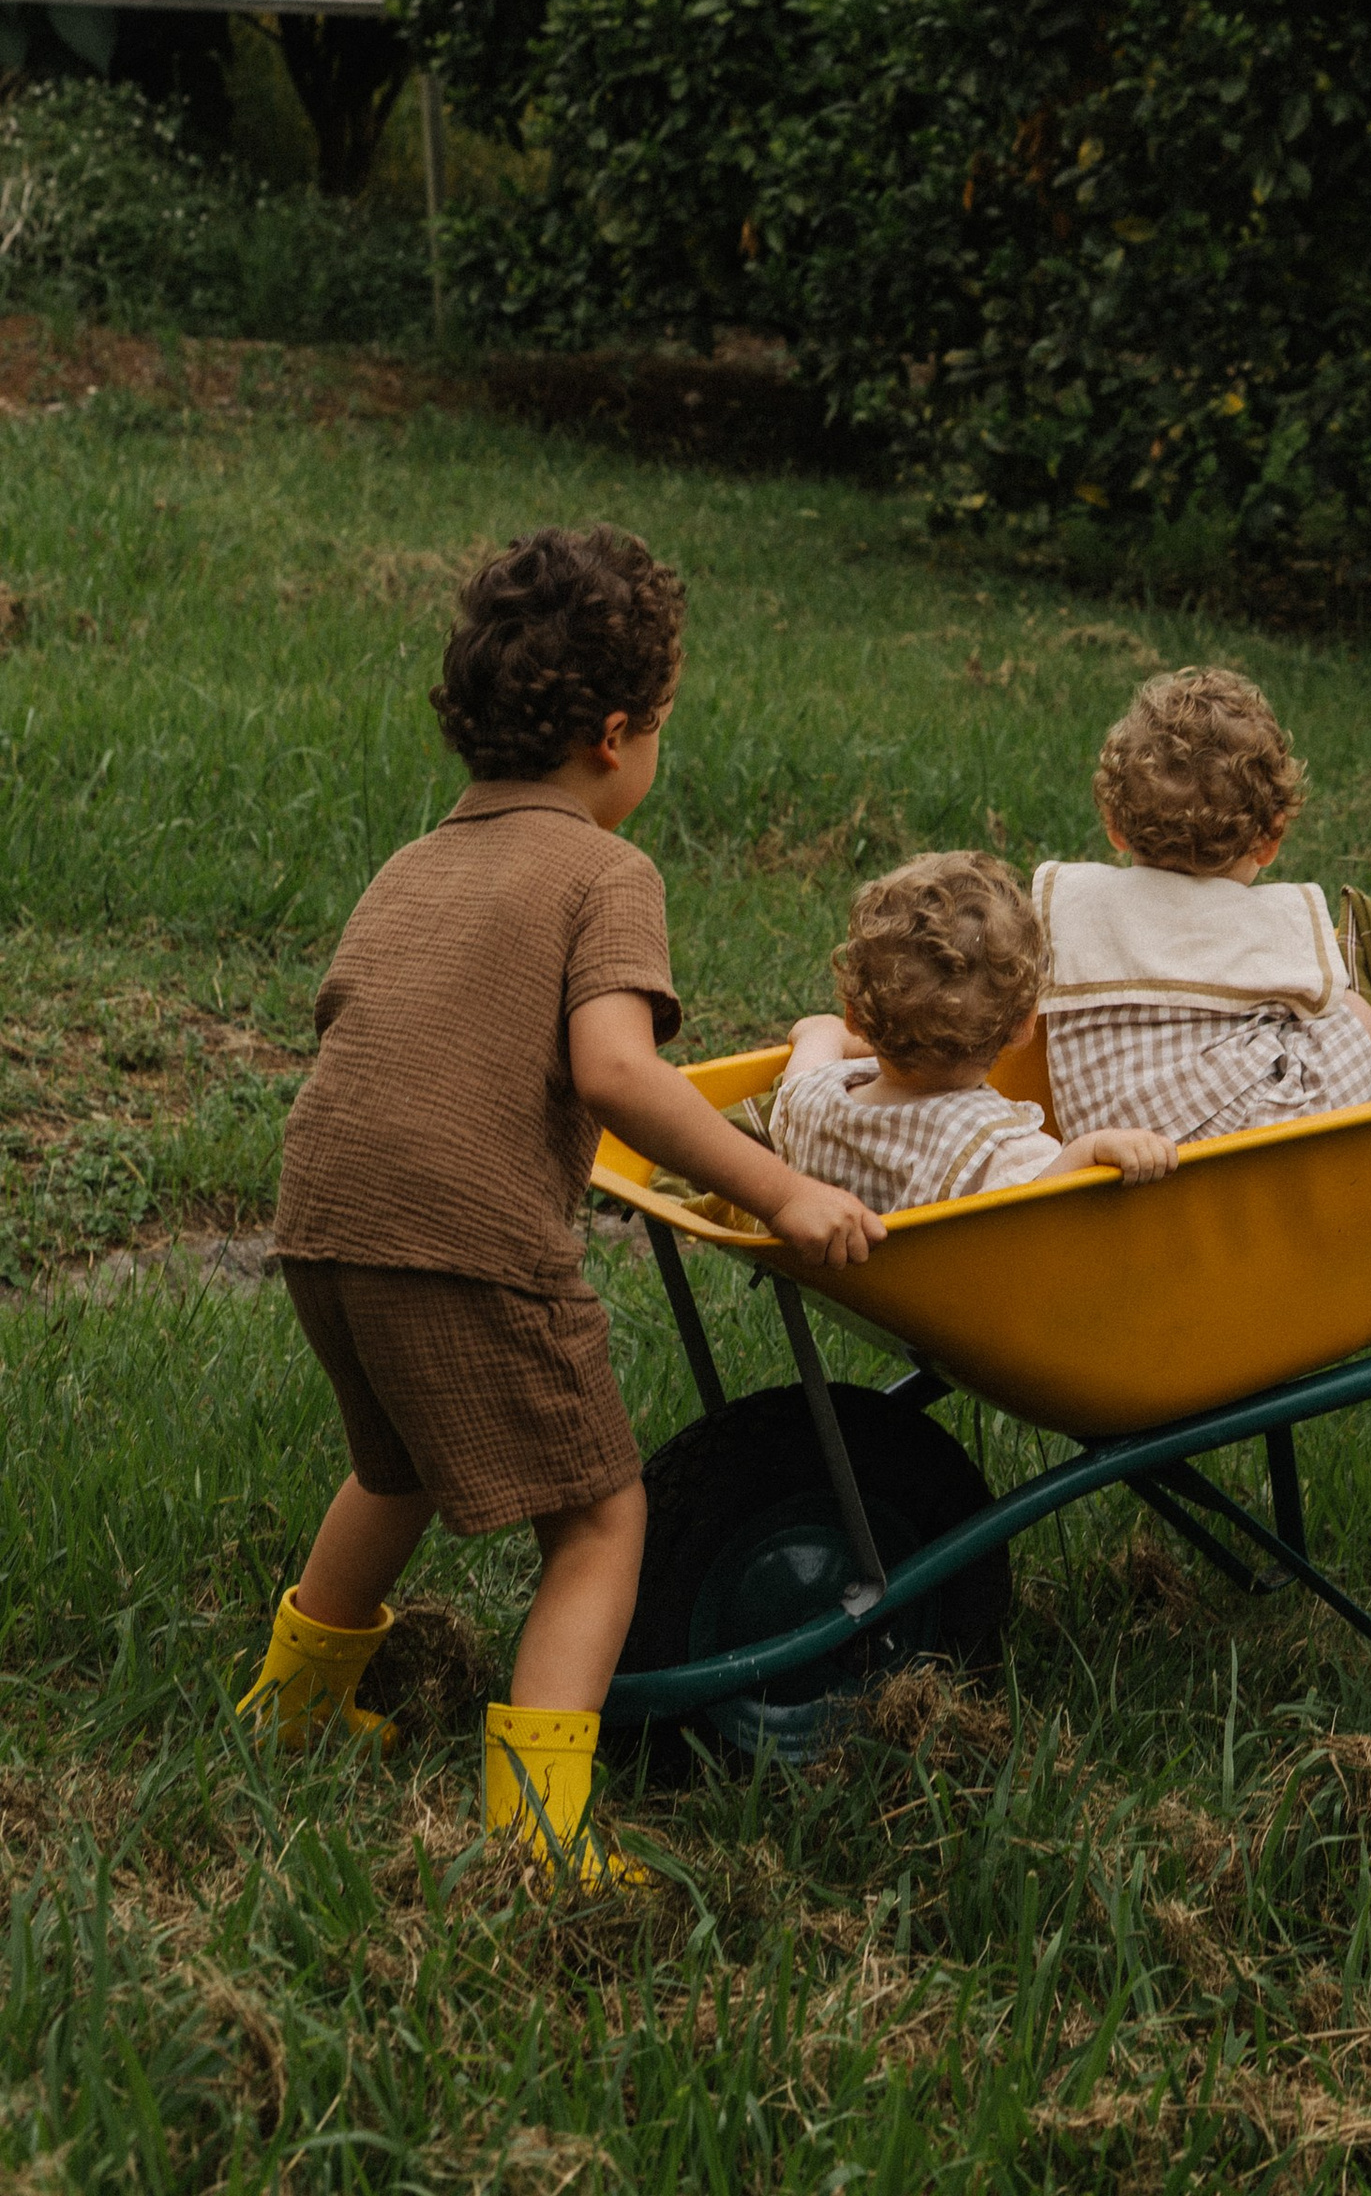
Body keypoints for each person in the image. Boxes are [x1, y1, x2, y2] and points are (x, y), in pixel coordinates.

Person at [238, 525, 886, 1890]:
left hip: (319, 1215)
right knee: (599, 1518)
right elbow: (614, 1072)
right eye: (660, 728)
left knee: (399, 1462)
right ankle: (537, 1834)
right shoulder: (606, 873)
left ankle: (292, 1710)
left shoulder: (412, 864)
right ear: (613, 735)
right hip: (465, 1237)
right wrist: (783, 1187)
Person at [1038, 669, 1371, 1144]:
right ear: (1270, 839)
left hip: (1113, 1154)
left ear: (1114, 825)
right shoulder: (1269, 934)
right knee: (1357, 1017)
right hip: (1258, 1155)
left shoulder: (1075, 915)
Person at [772, 848, 1180, 1205]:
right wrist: (1087, 1150)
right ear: (1023, 1028)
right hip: (941, 1284)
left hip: (843, 1275)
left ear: (853, 1017)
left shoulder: (812, 1100)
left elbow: (814, 1035)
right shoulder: (995, 1146)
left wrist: (826, 1033)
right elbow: (1033, 1211)